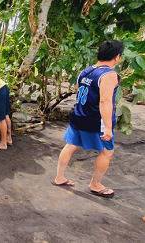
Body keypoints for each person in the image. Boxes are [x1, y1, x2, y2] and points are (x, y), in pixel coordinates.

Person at [52, 40, 124, 198]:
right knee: (107, 152)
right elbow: (105, 102)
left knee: (71, 145)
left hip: (79, 116)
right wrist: (108, 128)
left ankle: (59, 177)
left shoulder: (85, 71)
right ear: (117, 57)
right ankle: (95, 184)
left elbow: (81, 93)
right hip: (95, 121)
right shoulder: (109, 75)